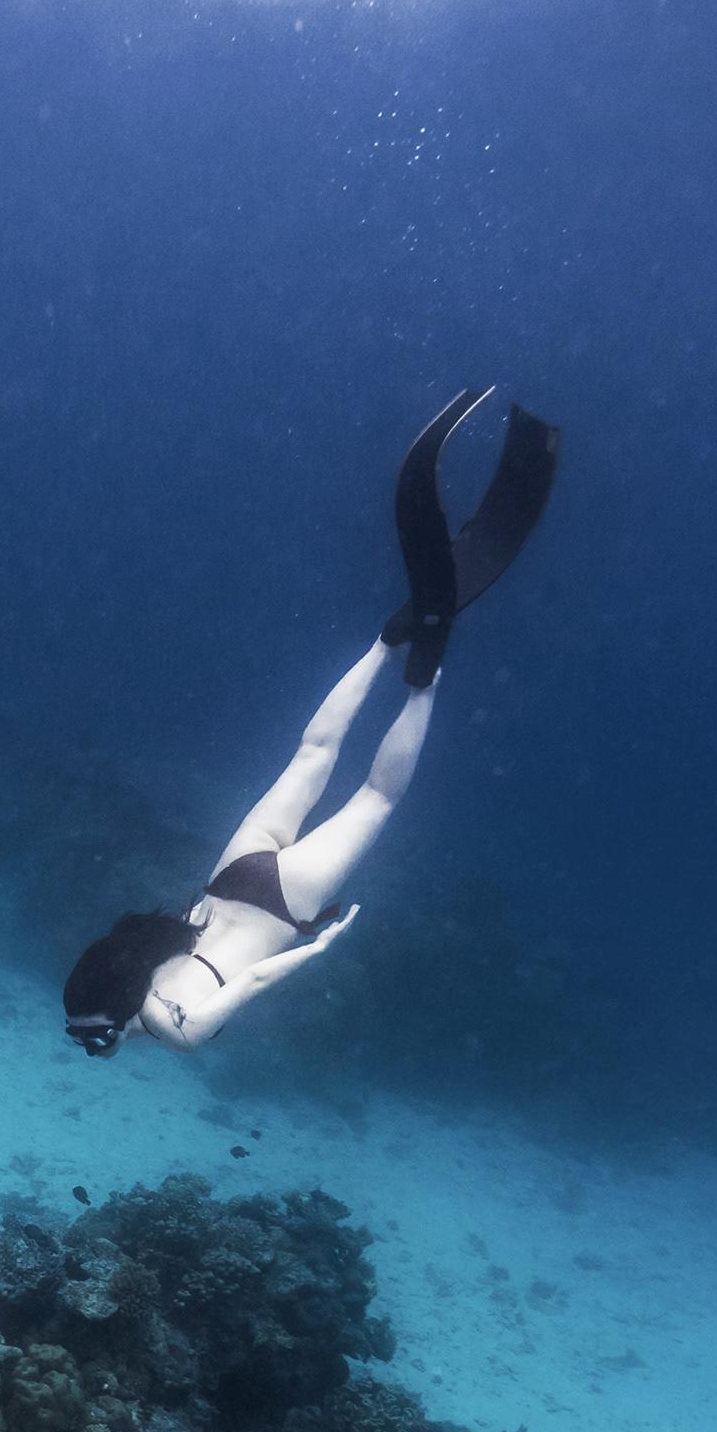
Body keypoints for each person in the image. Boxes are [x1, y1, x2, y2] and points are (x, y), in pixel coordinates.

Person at [64, 387, 558, 1056]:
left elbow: (255, 977)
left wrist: (321, 946)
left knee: (377, 797)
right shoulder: (139, 959)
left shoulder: (177, 1029)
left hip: (286, 906)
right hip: (231, 874)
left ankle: (423, 681)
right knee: (313, 750)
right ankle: (384, 647)